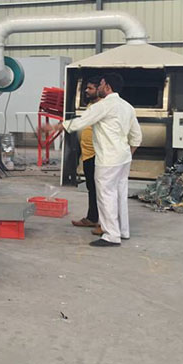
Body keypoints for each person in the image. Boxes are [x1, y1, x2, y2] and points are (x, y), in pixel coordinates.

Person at [48, 73, 142, 246]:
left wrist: (58, 126)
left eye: (100, 85)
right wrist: (126, 153)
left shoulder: (104, 105)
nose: (98, 87)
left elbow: (82, 121)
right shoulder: (127, 106)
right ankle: (122, 230)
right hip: (123, 158)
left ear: (107, 87)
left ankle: (111, 235)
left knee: (106, 195)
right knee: (120, 194)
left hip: (108, 159)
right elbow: (136, 136)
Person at [71, 76, 101, 229]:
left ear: (100, 89)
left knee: (99, 189)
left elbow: (79, 123)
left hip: (98, 155)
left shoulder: (102, 106)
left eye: (90, 88)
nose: (86, 91)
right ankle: (92, 218)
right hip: (88, 154)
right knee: (91, 187)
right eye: (86, 88)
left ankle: (102, 222)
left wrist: (58, 127)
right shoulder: (91, 104)